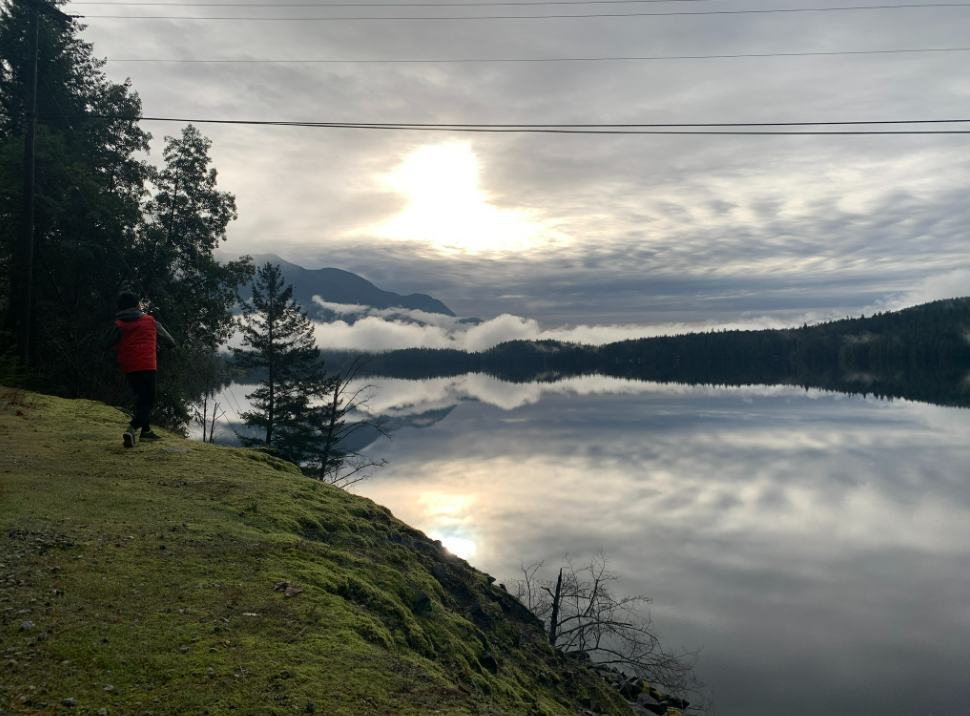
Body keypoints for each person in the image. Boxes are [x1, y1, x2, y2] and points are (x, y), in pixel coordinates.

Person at [101, 291, 177, 448]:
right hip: (147, 366)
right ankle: (132, 428)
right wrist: (172, 346)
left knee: (142, 398)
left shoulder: (119, 324)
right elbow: (168, 339)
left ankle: (146, 431)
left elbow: (104, 343)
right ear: (137, 305)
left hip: (128, 367)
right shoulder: (150, 321)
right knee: (148, 402)